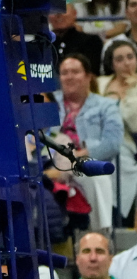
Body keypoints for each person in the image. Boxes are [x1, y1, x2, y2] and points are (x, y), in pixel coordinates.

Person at [55, 54, 124, 233]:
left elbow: (113, 143)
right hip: (52, 160)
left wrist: (79, 155)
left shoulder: (106, 106)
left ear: (88, 76)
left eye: (75, 72)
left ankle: (100, 234)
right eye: (64, 73)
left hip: (84, 161)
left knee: (94, 175)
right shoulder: (50, 103)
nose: (69, 76)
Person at [98, 39, 137, 223]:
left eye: (130, 57)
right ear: (112, 64)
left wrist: (130, 92)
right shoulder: (100, 83)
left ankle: (120, 213)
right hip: (95, 138)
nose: (126, 63)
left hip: (129, 143)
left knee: (119, 155)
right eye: (119, 59)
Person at [50, 5, 103, 74]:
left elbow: (91, 72)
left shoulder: (91, 41)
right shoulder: (42, 43)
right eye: (54, 11)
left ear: (74, 13)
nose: (58, 15)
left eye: (64, 10)